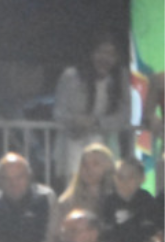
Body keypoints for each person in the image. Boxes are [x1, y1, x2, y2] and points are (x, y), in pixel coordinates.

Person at [54, 37, 130, 178]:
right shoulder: (71, 76)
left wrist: (98, 122)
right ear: (91, 53)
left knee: (103, 182)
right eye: (101, 52)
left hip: (105, 142)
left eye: (111, 54)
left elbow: (125, 114)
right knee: (74, 181)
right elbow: (59, 112)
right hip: (73, 142)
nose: (105, 58)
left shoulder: (119, 79)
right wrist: (75, 120)